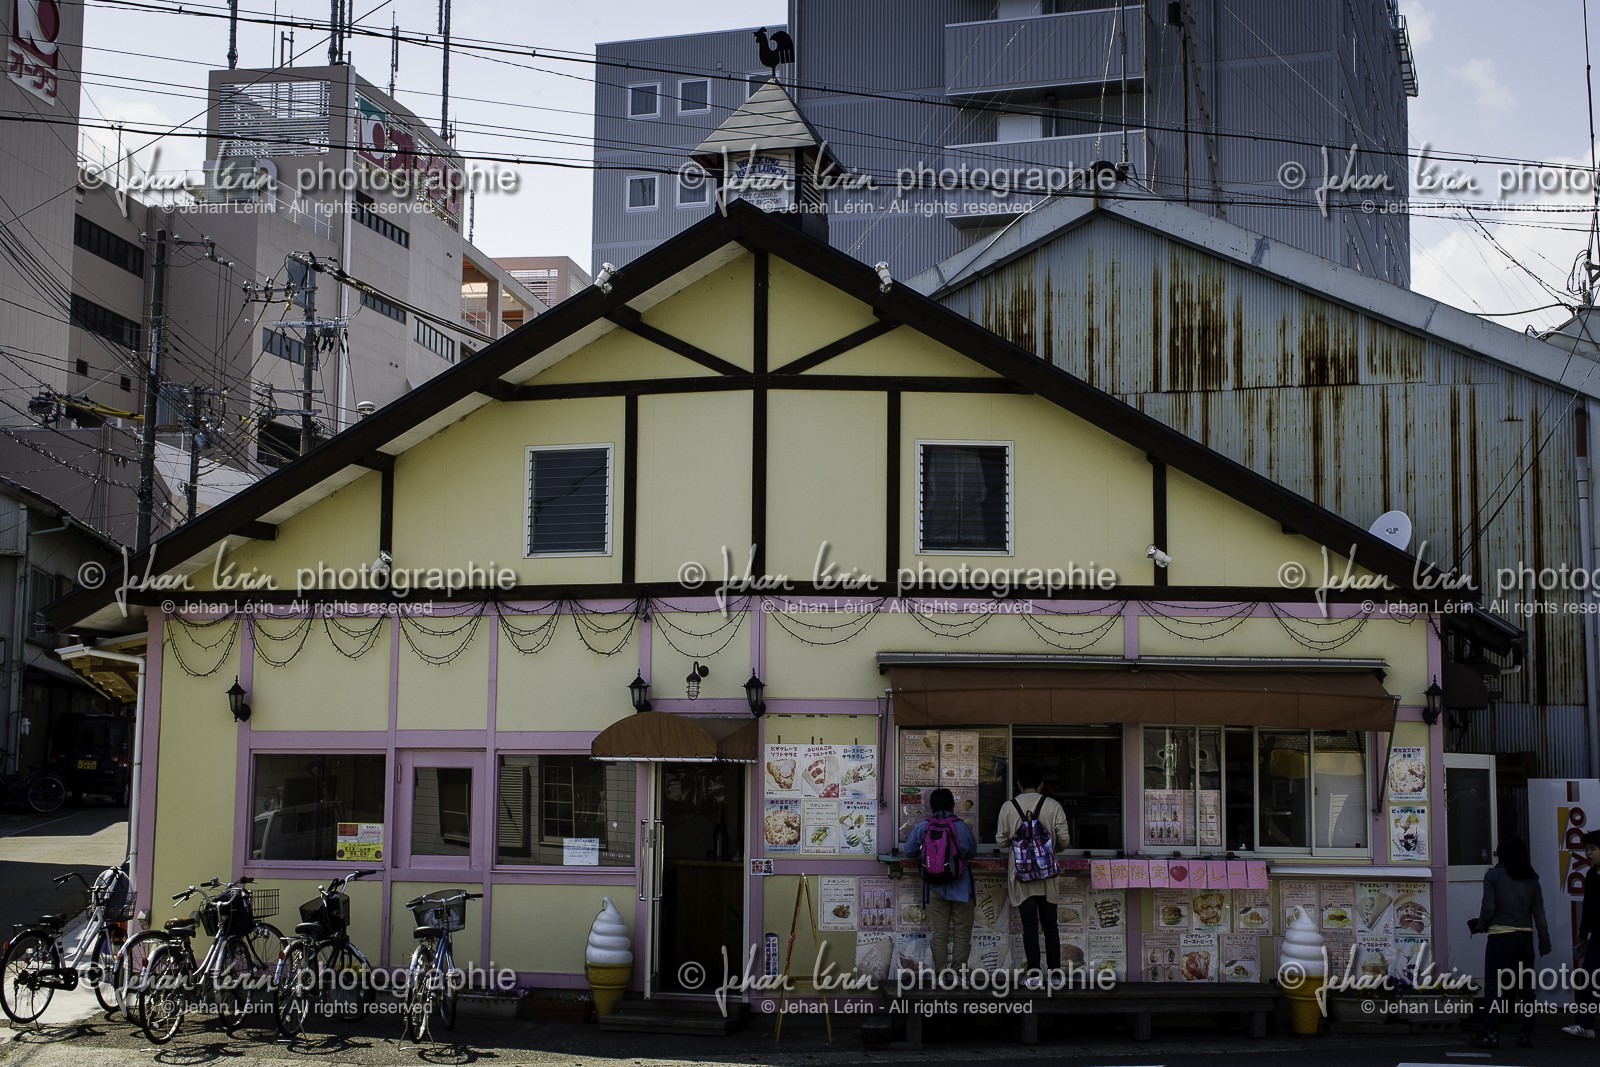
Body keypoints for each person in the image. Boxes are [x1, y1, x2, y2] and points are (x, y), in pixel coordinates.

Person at [1470, 834, 1551, 1048]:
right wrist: (1544, 942)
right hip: (1525, 937)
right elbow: (1539, 915)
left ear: (1502, 853)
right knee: (1526, 989)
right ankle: (1526, 1034)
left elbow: (1488, 907)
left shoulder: (1494, 876)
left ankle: (1492, 1034)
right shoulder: (1531, 879)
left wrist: (1481, 925)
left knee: (1493, 987)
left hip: (1500, 936)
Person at [995, 768, 1070, 980]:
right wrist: (1051, 850)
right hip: (1048, 877)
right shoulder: (1053, 805)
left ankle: (1034, 974)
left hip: (1021, 876)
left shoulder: (1008, 807)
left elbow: (1001, 841)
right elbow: (1064, 839)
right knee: (1050, 927)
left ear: (1018, 784)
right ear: (1041, 784)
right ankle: (1055, 974)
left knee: (1029, 928)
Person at [906, 787, 977, 973]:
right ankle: (958, 974)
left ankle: (941, 975)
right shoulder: (962, 827)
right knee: (962, 934)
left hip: (935, 887)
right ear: (953, 805)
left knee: (939, 935)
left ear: (931, 806)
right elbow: (972, 851)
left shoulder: (924, 826)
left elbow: (908, 851)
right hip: (962, 888)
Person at [1562, 830, 1600, 1040]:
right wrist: (1583, 937)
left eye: (1593, 849)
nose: (1588, 854)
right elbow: (1589, 907)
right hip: (1597, 937)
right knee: (1589, 977)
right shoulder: (1592, 875)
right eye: (1586, 850)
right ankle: (1585, 1024)